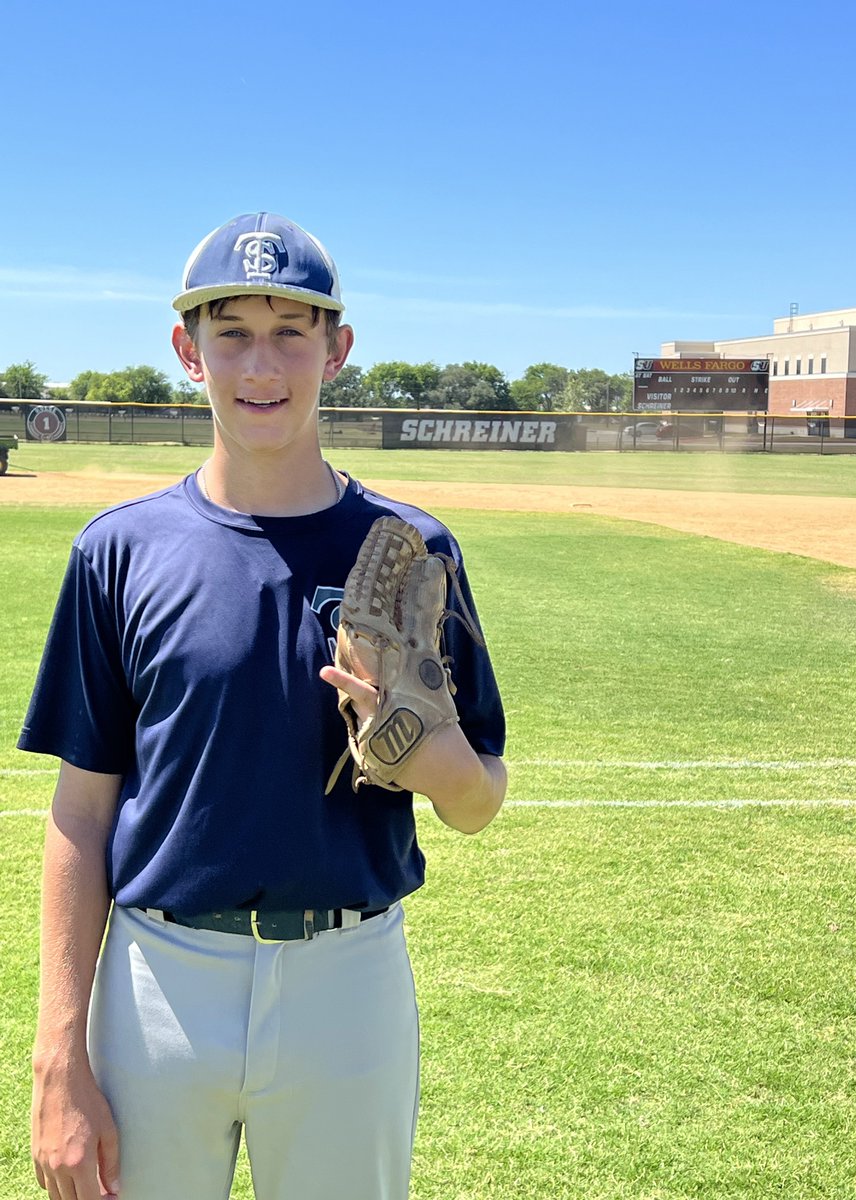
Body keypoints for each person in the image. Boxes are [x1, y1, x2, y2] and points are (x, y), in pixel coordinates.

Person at [20, 212, 507, 1200]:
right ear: (186, 351)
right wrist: (56, 1056)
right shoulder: (119, 553)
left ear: (339, 349)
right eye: (231, 329)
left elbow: (480, 798)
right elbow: (80, 814)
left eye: (293, 330)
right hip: (158, 978)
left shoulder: (410, 550)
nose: (262, 361)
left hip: (348, 981)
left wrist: (434, 761)